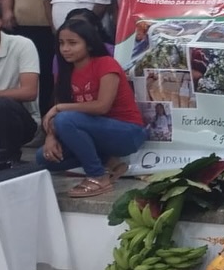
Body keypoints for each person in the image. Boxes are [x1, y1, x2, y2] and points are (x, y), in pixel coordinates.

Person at [37, 11, 145, 197]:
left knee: (65, 119)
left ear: (89, 44)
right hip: (94, 133)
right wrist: (51, 138)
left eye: (73, 43)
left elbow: (101, 106)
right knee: (43, 157)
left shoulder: (106, 64)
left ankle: (98, 176)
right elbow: (59, 118)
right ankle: (110, 161)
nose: (65, 49)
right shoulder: (65, 72)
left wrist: (59, 107)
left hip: (127, 133)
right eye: (61, 43)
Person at [0, 0, 39, 161]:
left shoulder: (22, 45)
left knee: (0, 106)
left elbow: (29, 92)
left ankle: (8, 161)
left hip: (18, 117)